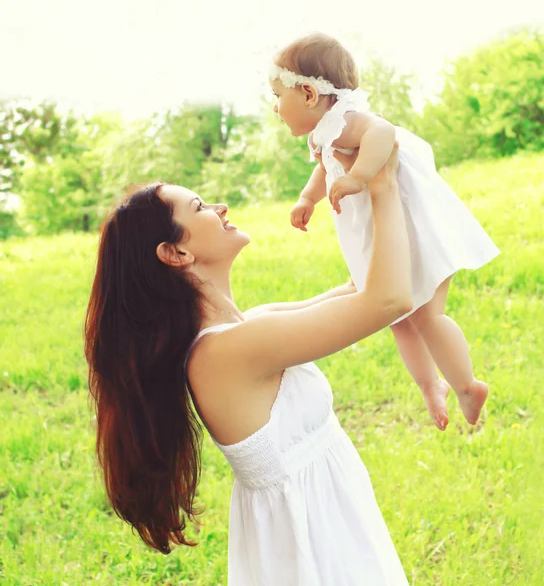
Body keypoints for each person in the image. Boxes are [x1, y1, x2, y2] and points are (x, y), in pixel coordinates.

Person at [85, 143, 412, 585]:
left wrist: (348, 171)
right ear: (175, 253)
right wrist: (383, 182)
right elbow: (387, 299)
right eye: (199, 206)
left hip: (333, 520)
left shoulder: (253, 326)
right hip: (309, 544)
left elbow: (364, 284)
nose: (219, 207)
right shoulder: (226, 354)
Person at [273, 33, 500, 430]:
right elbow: (325, 165)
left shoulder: (348, 121)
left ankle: (467, 385)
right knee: (399, 318)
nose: (276, 108)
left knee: (427, 315)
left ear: (308, 93)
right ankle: (431, 386)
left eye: (278, 96)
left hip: (414, 231)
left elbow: (384, 133)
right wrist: (308, 199)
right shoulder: (327, 132)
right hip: (390, 236)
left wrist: (360, 176)